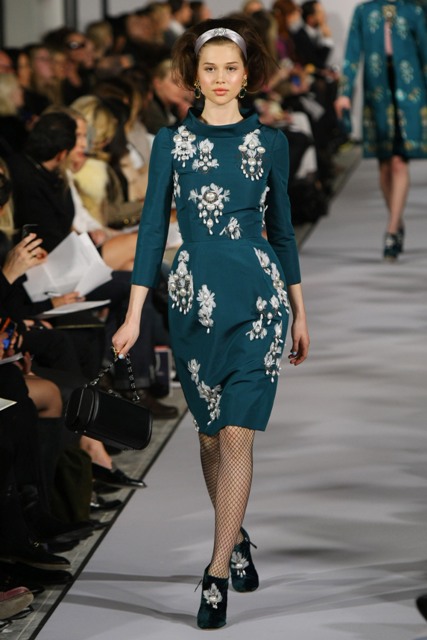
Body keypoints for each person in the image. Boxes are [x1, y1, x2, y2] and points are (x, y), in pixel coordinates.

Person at [112, 16, 309, 629]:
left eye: (231, 68)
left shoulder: (271, 143)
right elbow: (151, 231)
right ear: (193, 76)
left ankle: (216, 572)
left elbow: (282, 232)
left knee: (237, 435)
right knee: (208, 437)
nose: (221, 78)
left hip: (258, 300)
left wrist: (300, 310)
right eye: (210, 68)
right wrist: (134, 313)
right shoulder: (171, 142)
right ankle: (237, 536)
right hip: (193, 299)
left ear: (248, 75)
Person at [335, 0, 427, 261]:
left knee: (399, 161)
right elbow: (352, 54)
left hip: (410, 90)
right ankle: (397, 220)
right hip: (378, 92)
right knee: (385, 164)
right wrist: (344, 93)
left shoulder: (413, 10)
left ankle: (391, 229)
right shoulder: (364, 11)